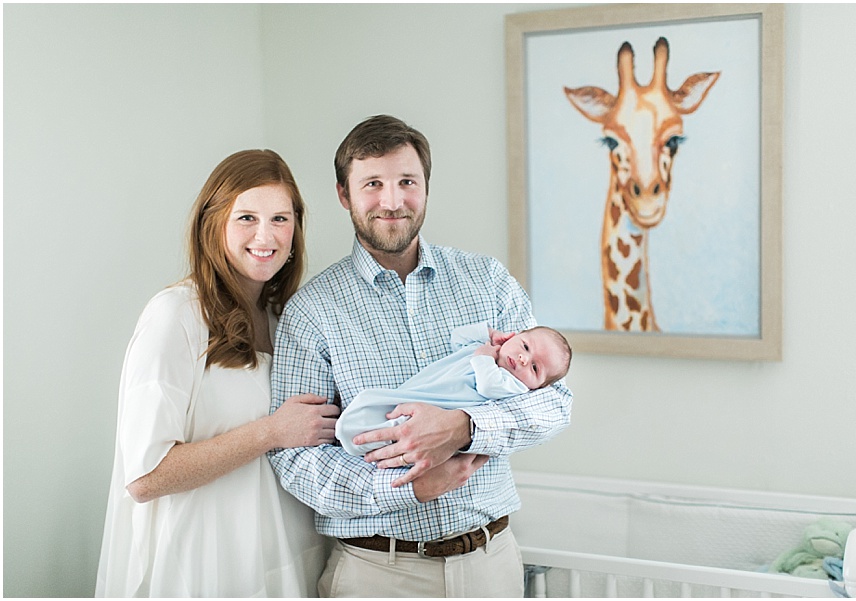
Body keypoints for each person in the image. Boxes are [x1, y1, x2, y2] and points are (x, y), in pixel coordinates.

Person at [269, 115, 573, 598]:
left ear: (426, 188)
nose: (392, 201)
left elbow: (555, 402)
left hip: (490, 565)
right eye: (373, 184)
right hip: (378, 574)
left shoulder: (487, 280)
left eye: (407, 182)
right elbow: (297, 460)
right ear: (344, 194)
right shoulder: (312, 311)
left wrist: (464, 428)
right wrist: (407, 486)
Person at [95, 149, 339, 597]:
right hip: (204, 564)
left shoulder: (287, 318)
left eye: (281, 219)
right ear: (214, 223)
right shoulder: (177, 315)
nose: (266, 235)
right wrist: (271, 431)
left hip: (287, 559)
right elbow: (146, 477)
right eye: (246, 217)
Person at [336, 321, 572, 455]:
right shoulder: (487, 348)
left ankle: (361, 439)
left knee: (398, 427)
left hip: (435, 407)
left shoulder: (512, 385)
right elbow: (457, 337)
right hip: (421, 389)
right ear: (514, 336)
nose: (522, 359)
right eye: (525, 346)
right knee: (373, 400)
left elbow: (488, 386)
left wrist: (484, 356)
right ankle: (348, 428)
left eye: (534, 368)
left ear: (537, 387)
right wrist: (488, 335)